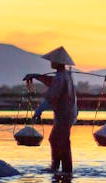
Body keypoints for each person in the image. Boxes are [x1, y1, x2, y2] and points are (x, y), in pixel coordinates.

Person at [25, 46, 78, 175]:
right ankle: (62, 168)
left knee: (56, 140)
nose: (51, 63)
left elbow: (53, 95)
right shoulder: (65, 75)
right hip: (68, 113)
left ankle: (60, 168)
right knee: (61, 140)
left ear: (57, 62)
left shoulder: (61, 77)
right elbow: (53, 82)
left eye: (53, 60)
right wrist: (37, 76)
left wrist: (39, 111)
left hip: (64, 114)